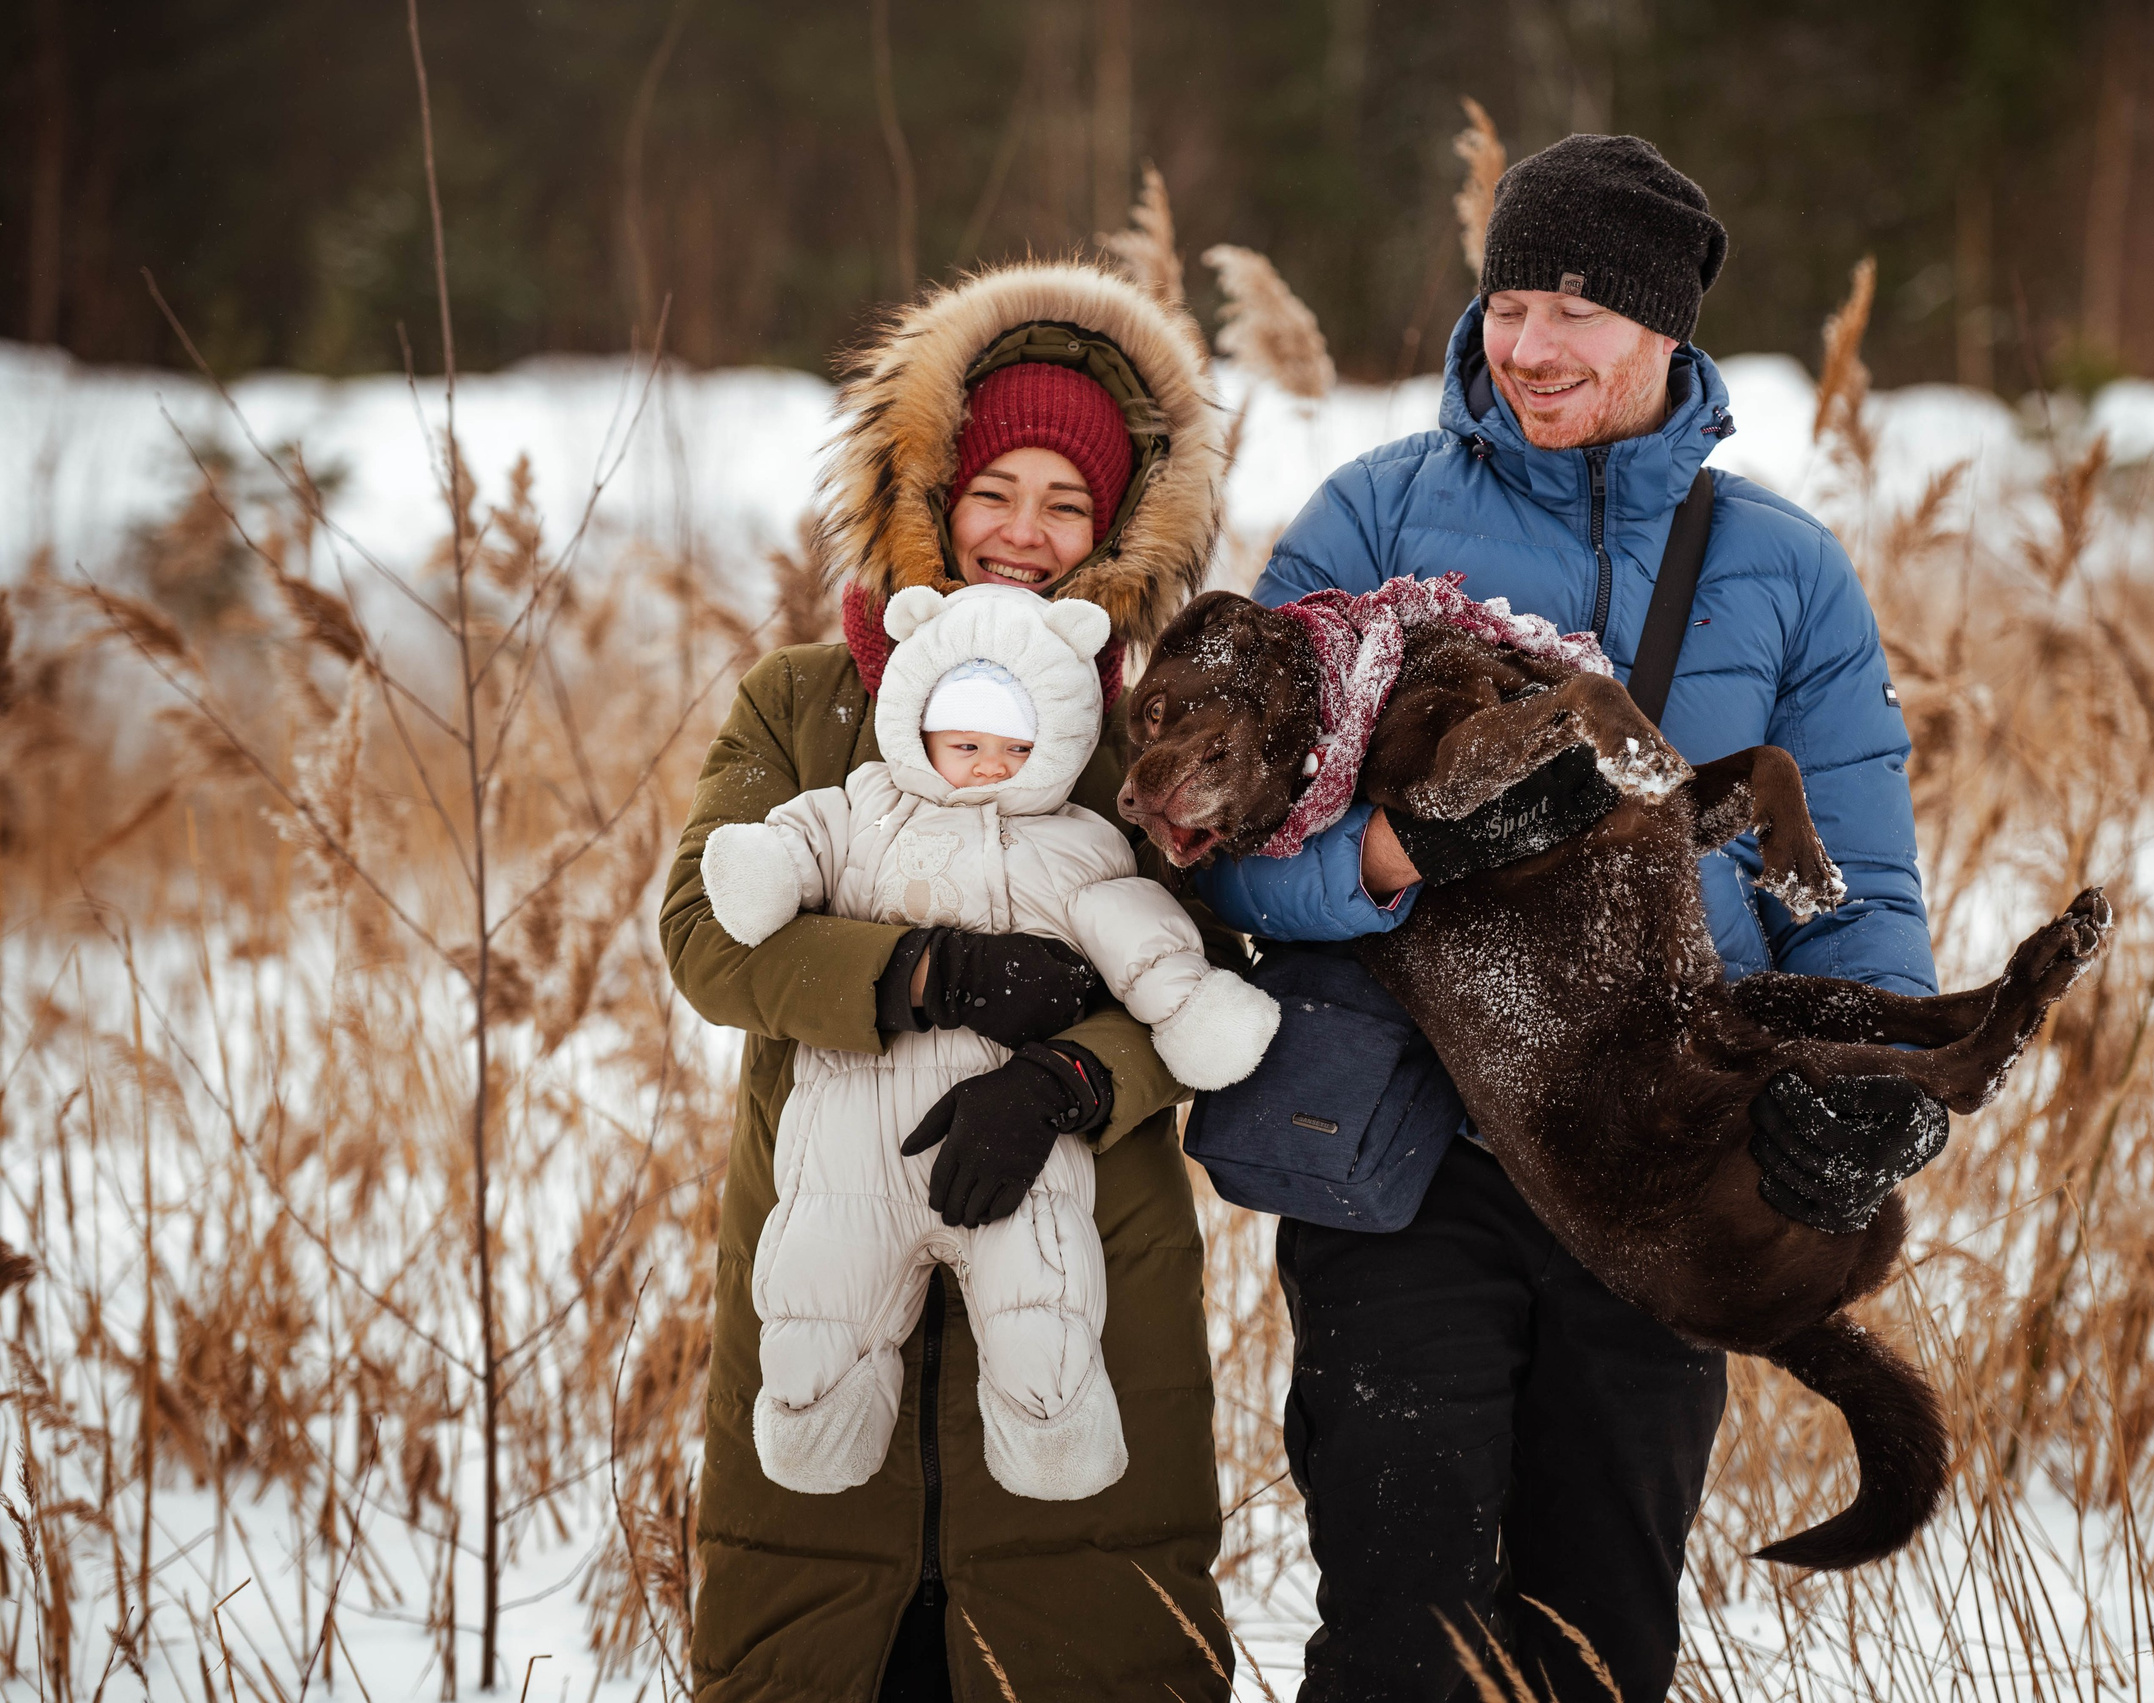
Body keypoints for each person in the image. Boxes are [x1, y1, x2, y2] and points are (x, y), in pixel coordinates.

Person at [1192, 135, 1945, 1703]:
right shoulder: (1371, 520)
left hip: (1655, 1172)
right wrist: (1395, 849)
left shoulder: (1784, 570)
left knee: (1600, 1637)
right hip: (1401, 1162)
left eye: (1575, 314)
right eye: (1509, 301)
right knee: (1404, 1629)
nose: (1527, 348)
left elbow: (1856, 893)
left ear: (1668, 327)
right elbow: (1220, 849)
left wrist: (1873, 1100)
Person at [662, 261, 1235, 1703]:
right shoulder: (802, 702)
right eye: (995, 491)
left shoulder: (1144, 732)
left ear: (1116, 531)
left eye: (1067, 503)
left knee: (1078, 1629)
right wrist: (923, 967)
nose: (1026, 536)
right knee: (824, 1630)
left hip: (1087, 1230)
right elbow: (708, 934)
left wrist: (1070, 1078)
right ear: (923, 496)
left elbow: (1205, 969)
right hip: (823, 1227)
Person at [696, 582, 1275, 1505]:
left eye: (1016, 749)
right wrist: (933, 968)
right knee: (820, 1286)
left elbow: (1163, 937)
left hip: (1030, 1146)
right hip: (850, 1130)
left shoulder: (1101, 805)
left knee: (1040, 1299)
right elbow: (723, 919)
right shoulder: (844, 772)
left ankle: (1051, 1427)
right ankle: (813, 1415)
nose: (989, 769)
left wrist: (1085, 1066)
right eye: (965, 745)